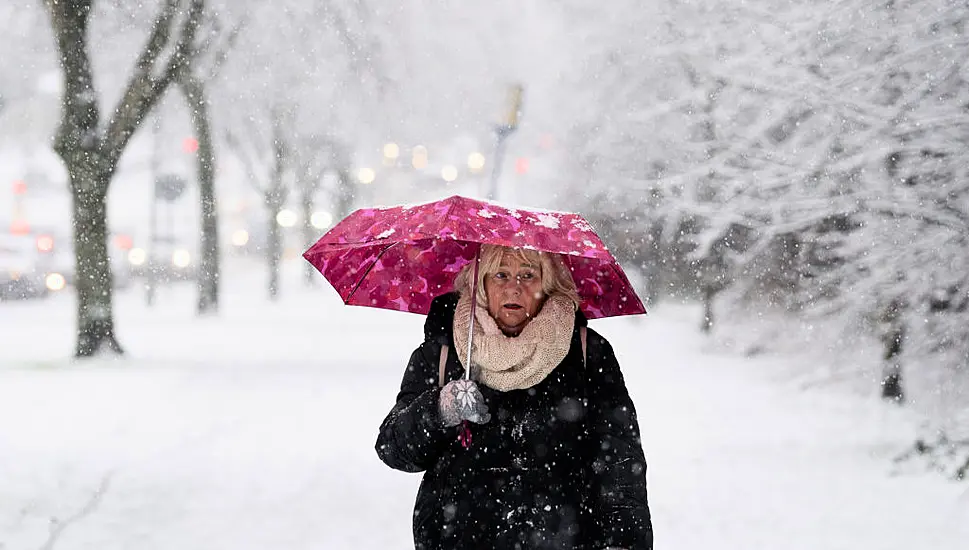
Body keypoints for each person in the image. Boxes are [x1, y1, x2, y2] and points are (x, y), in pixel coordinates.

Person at [375, 244, 653, 549]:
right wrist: (440, 408)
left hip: (566, 538)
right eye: (500, 275)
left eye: (528, 275)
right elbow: (394, 447)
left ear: (547, 285)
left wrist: (624, 542)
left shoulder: (587, 352)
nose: (513, 288)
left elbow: (620, 462)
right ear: (480, 285)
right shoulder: (442, 352)